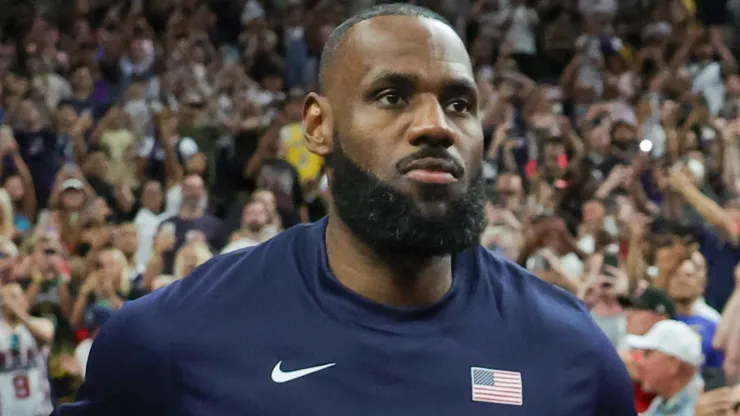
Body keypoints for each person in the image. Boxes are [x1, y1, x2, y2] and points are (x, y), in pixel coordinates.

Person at [54, 4, 635, 415]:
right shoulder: (170, 339)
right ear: (318, 125)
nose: (435, 125)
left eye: (459, 103)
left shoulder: (572, 354)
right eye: (392, 96)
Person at [627, 320, 705, 415]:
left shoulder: (696, 410)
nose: (640, 362)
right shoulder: (663, 402)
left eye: (648, 353)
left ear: (673, 364)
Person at [0, 282, 54, 416]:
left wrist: (19, 313)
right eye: (7, 298)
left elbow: (46, 336)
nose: (12, 303)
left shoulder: (41, 323)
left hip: (39, 410)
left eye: (16, 297)